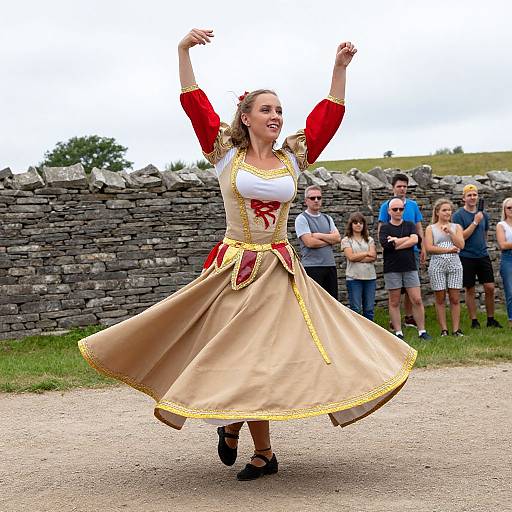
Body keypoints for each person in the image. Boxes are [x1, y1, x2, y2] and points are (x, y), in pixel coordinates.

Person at [79, 28, 417, 482]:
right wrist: (182, 52)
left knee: (267, 360)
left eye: (279, 110)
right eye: (267, 109)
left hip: (278, 270)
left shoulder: (292, 158)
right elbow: (194, 104)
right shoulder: (224, 154)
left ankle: (258, 447)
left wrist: (338, 71)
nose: (276, 116)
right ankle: (236, 426)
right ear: (247, 116)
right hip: (234, 269)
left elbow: (326, 120)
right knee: (237, 357)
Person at [379, 197, 432, 341]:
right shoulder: (384, 228)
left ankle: (422, 331)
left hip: (409, 267)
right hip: (392, 268)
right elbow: (386, 245)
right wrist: (406, 240)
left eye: (400, 209)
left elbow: (416, 240)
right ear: (389, 211)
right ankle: (398, 332)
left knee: (417, 299)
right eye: (395, 209)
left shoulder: (409, 225)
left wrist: (397, 241)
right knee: (394, 301)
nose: (398, 211)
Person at [378, 173, 425, 329]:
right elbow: (382, 230)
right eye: (399, 186)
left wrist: (422, 246)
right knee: (396, 290)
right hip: (393, 255)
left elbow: (418, 228)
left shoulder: (413, 205)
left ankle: (409, 316)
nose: (402, 189)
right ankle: (395, 322)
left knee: (411, 287)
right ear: (393, 188)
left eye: (405, 186)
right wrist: (385, 245)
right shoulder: (386, 206)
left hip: (412, 252)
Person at [452, 184, 502, 328]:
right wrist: (475, 222)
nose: (473, 197)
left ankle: (491, 319)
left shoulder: (484, 214)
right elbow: (461, 237)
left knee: (490, 287)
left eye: (475, 195)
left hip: (482, 255)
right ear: (464, 198)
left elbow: (485, 233)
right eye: (469, 195)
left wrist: (483, 245)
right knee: (470, 288)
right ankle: (474, 320)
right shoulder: (458, 216)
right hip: (466, 256)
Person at [424, 199, 465, 336]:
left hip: (455, 265)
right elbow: (429, 248)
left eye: (449, 210)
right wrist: (447, 250)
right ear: (437, 212)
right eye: (444, 210)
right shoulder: (431, 228)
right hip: (437, 265)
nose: (448, 212)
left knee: (454, 298)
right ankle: (444, 330)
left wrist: (451, 233)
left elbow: (461, 245)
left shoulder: (457, 227)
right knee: (440, 298)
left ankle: (456, 330)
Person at [295, 185, 341, 299]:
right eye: (312, 198)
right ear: (306, 201)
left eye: (319, 197)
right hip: (312, 267)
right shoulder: (301, 219)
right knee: (315, 302)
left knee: (332, 302)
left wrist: (319, 235)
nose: (316, 200)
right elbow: (310, 243)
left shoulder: (327, 218)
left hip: (330, 265)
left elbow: (337, 238)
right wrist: (329, 240)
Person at [340, 212, 377, 320]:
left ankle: (370, 333)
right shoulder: (346, 240)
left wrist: (358, 257)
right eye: (355, 222)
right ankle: (356, 334)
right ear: (351, 224)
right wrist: (366, 253)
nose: (358, 225)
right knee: (356, 308)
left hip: (370, 277)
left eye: (361, 223)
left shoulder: (369, 240)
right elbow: (350, 257)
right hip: (354, 278)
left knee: (369, 308)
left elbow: (373, 256)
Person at [496, 197, 512, 327]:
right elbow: (503, 245)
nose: (511, 210)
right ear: (504, 210)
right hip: (508, 258)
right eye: (509, 208)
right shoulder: (501, 225)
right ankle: (511, 319)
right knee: (510, 290)